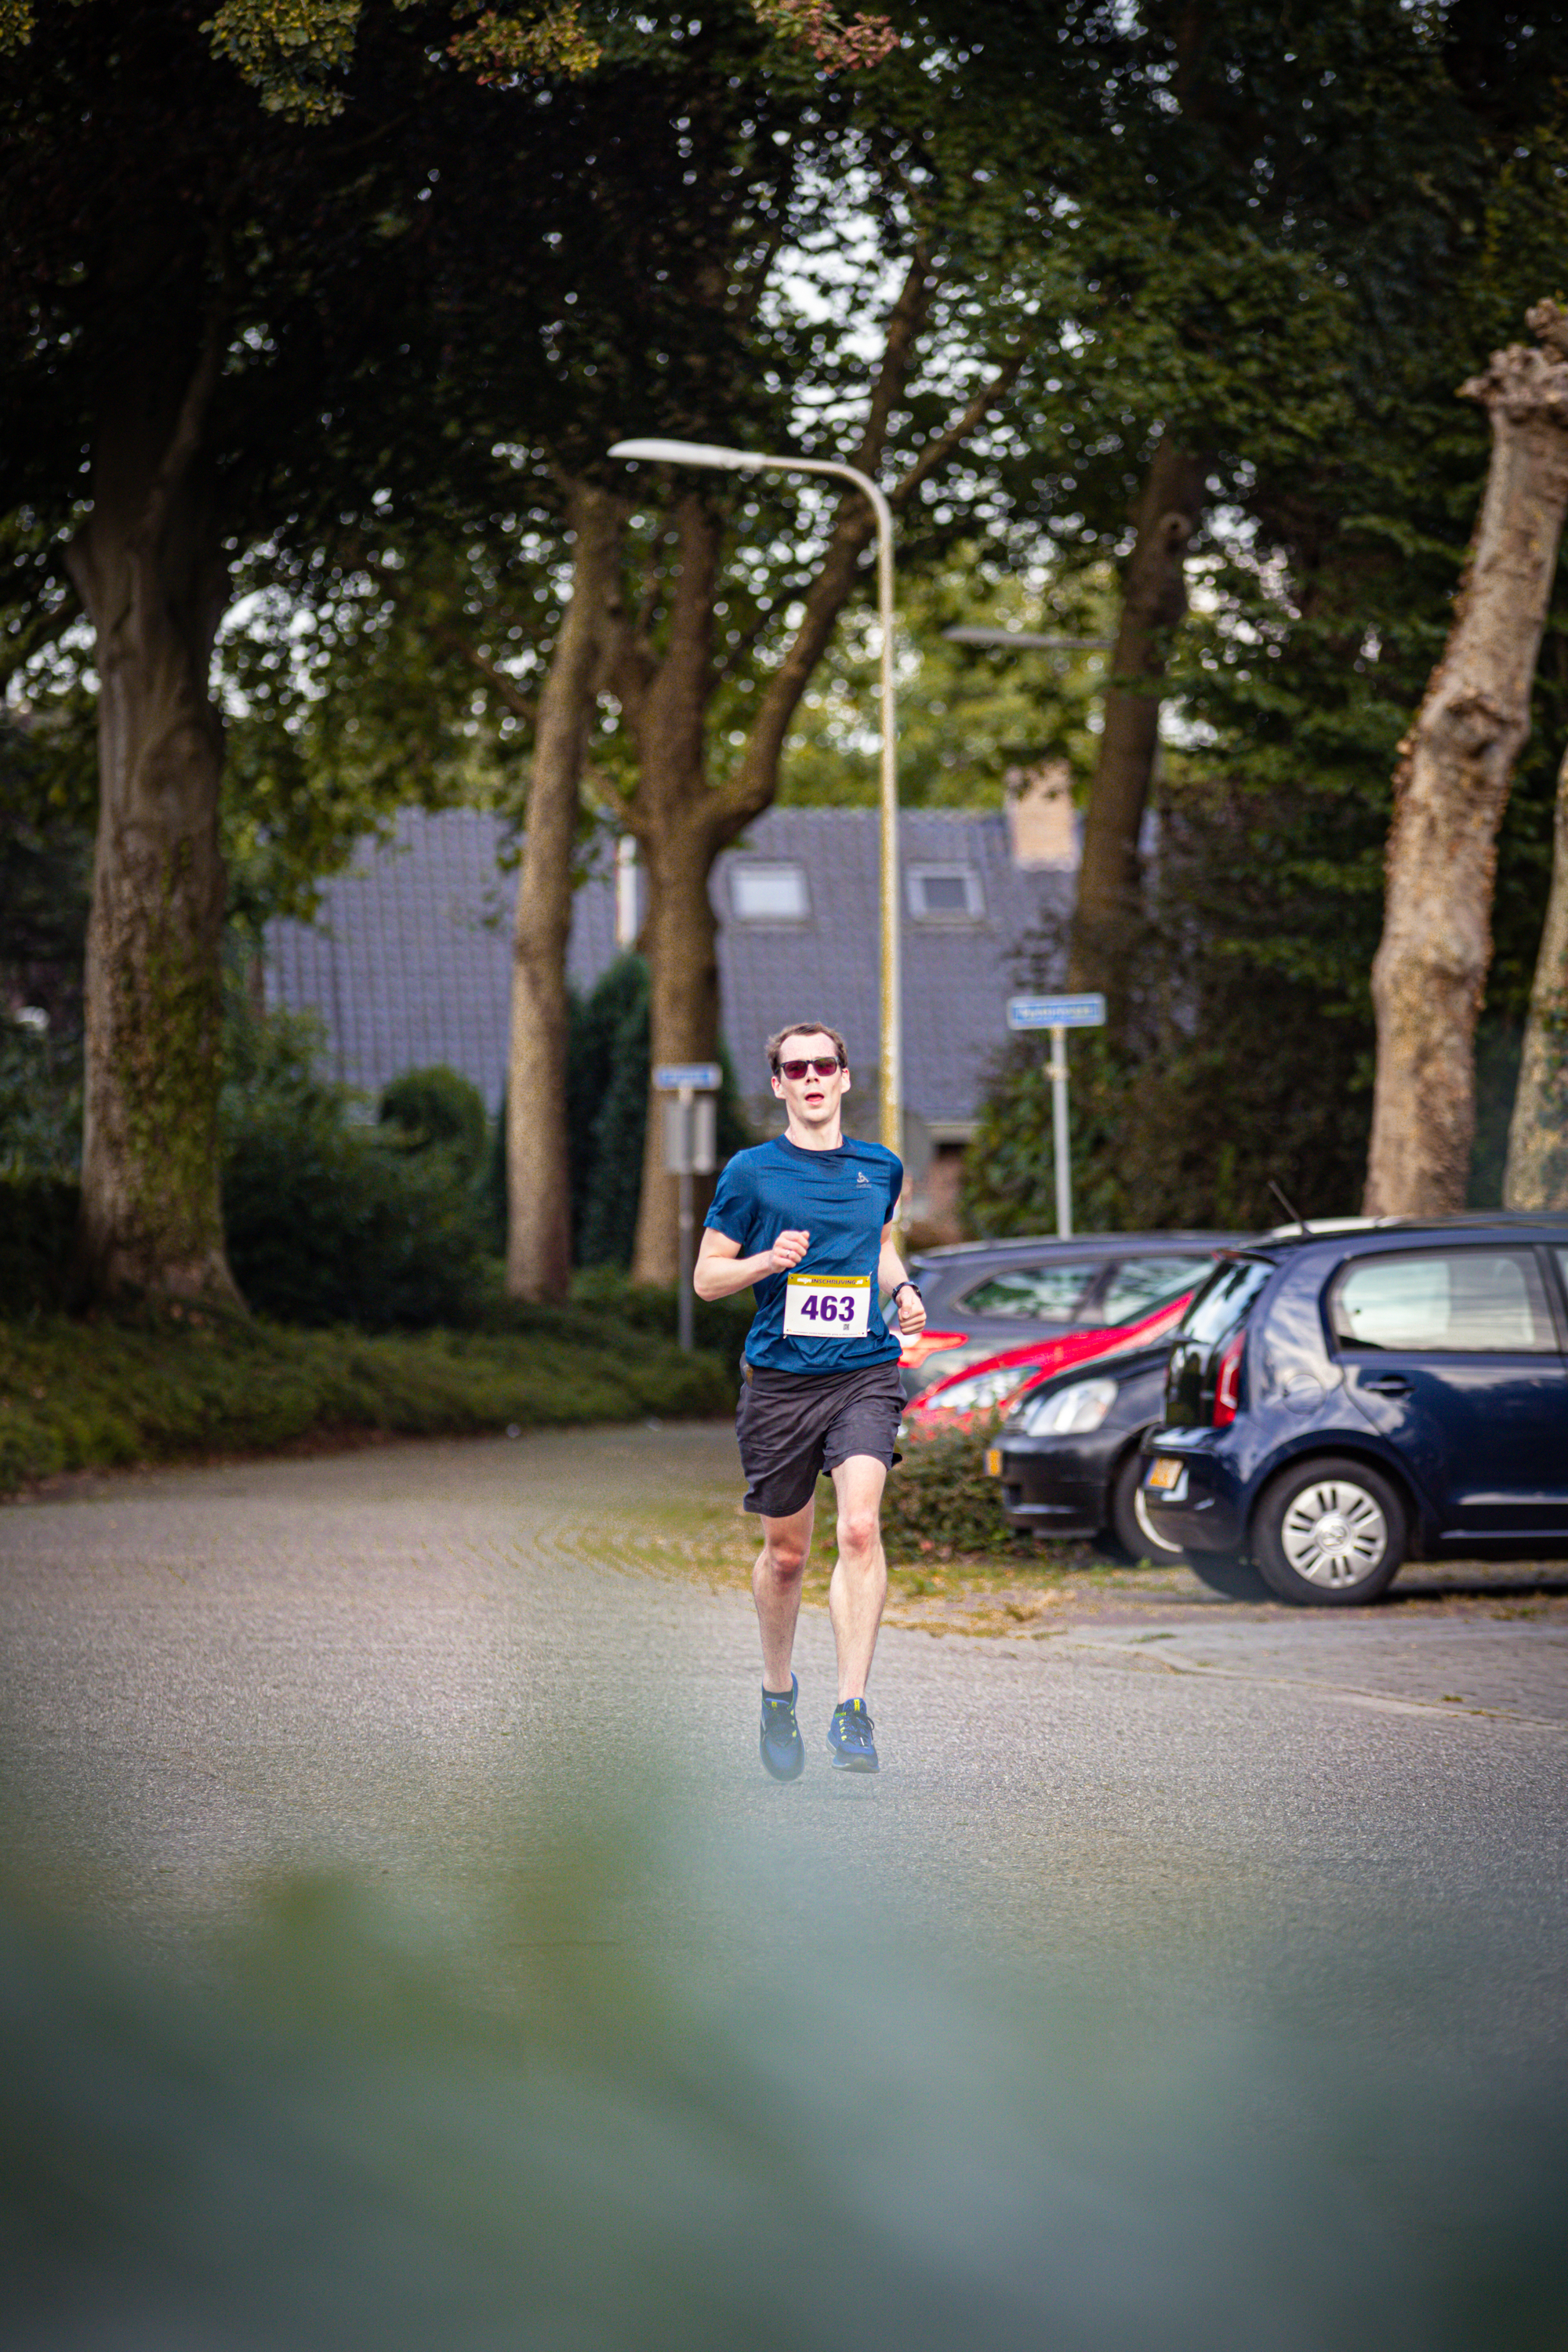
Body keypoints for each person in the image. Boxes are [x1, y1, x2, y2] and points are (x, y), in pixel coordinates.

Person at [694, 1021, 927, 1778]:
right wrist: (768, 1259)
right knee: (788, 1556)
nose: (812, 1077)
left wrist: (904, 1290)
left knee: (859, 1528)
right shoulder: (752, 1173)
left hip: (863, 1371)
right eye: (796, 1069)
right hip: (781, 1383)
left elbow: (882, 1245)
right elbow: (706, 1278)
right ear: (779, 1086)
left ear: (846, 1077)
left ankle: (852, 1709)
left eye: (825, 1064)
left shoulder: (880, 1167)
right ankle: (776, 1692)